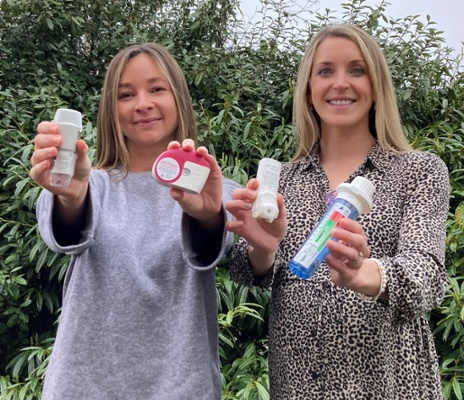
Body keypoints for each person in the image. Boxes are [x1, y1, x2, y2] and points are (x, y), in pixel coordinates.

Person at [225, 24, 449, 399]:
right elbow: (250, 272)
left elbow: (426, 276)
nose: (341, 83)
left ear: (376, 86)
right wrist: (261, 251)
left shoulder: (419, 171)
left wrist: (366, 274)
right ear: (309, 90)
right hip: (298, 384)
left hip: (389, 384)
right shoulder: (281, 180)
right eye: (326, 71)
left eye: (357, 70)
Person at [30, 43, 239, 400]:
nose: (142, 103)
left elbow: (214, 243)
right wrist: (69, 193)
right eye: (126, 94)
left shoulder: (213, 188)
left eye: (157, 89)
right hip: (81, 388)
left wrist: (206, 215)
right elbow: (65, 232)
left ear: (180, 99)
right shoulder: (88, 184)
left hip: (182, 388)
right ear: (111, 110)